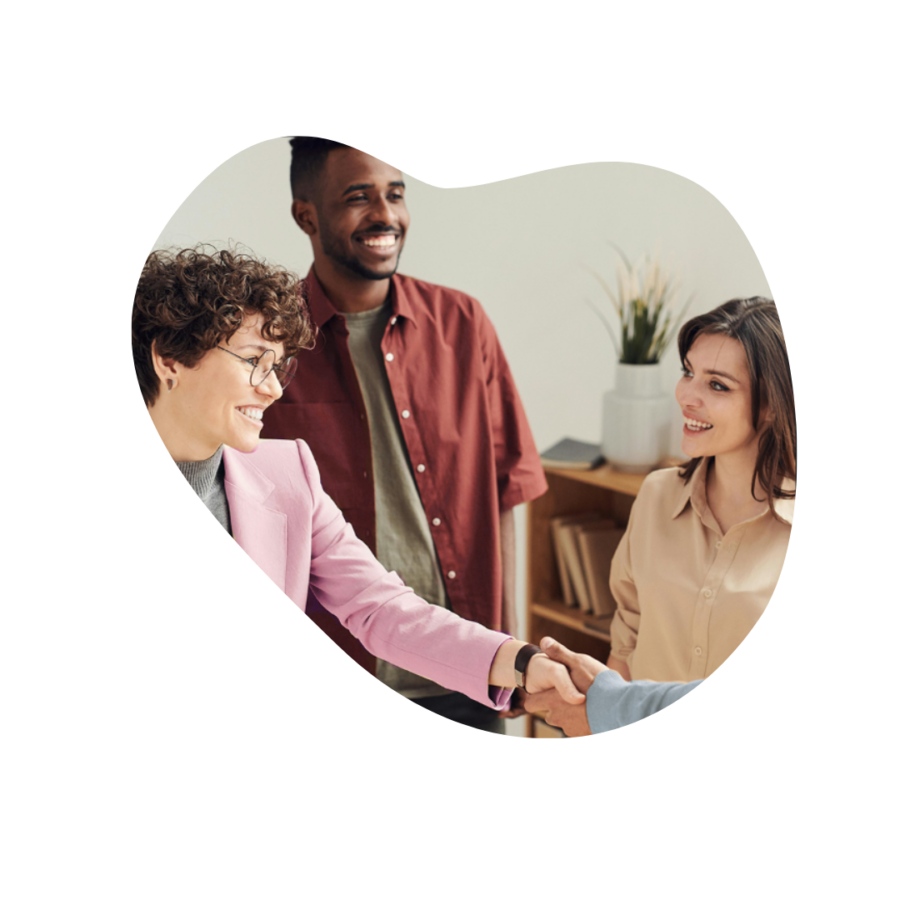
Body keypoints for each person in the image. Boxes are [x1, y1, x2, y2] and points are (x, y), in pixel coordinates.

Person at [131, 246, 581, 739]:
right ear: (168, 360)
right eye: (254, 361)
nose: (274, 389)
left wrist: (520, 662)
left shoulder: (287, 477)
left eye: (277, 366)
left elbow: (381, 606)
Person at [260, 136, 548, 738]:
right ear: (306, 215)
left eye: (394, 195)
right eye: (359, 197)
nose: (385, 215)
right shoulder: (268, 342)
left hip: (468, 665)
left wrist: (511, 646)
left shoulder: (464, 325)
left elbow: (503, 494)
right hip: (332, 676)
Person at [602, 297, 825, 684]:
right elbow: (626, 642)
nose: (687, 396)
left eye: (717, 385)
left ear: (772, 404)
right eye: (688, 372)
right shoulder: (656, 496)